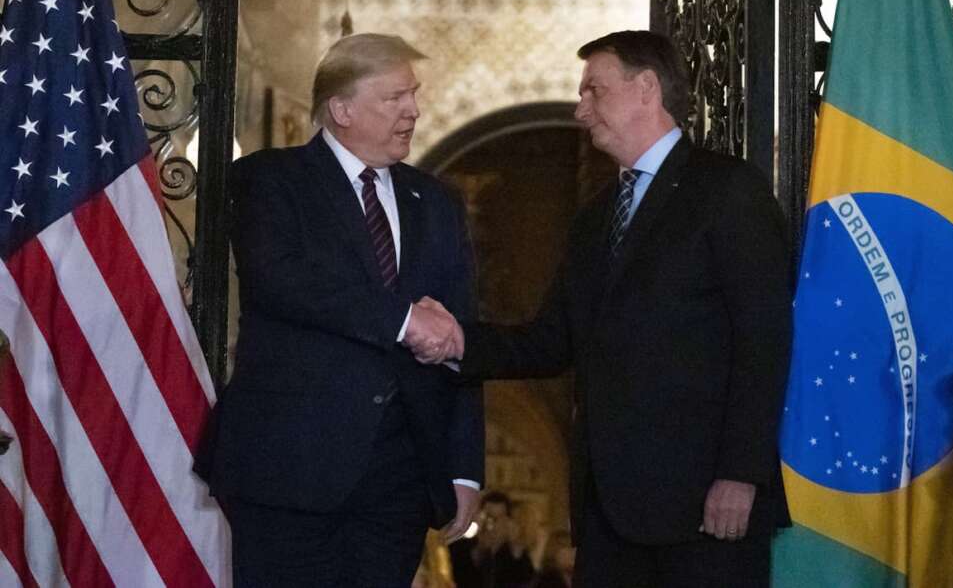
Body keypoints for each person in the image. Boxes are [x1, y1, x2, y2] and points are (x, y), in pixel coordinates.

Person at [409, 30, 792, 587]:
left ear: (646, 88)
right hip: (608, 514)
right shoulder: (595, 219)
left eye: (594, 90)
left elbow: (764, 340)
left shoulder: (727, 190)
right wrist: (458, 341)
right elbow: (551, 341)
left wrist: (741, 473)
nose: (580, 108)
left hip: (707, 505)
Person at [200, 33, 484, 586]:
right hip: (288, 469)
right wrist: (404, 320)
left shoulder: (436, 201)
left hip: (398, 484)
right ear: (342, 109)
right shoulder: (270, 179)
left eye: (414, 94)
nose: (413, 110)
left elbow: (459, 334)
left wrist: (466, 468)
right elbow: (281, 280)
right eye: (395, 97)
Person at [449, 491, 535, 587]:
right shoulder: (459, 547)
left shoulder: (514, 551)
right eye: (489, 517)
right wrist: (480, 549)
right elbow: (456, 576)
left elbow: (526, 581)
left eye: (499, 518)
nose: (493, 524)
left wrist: (516, 551)